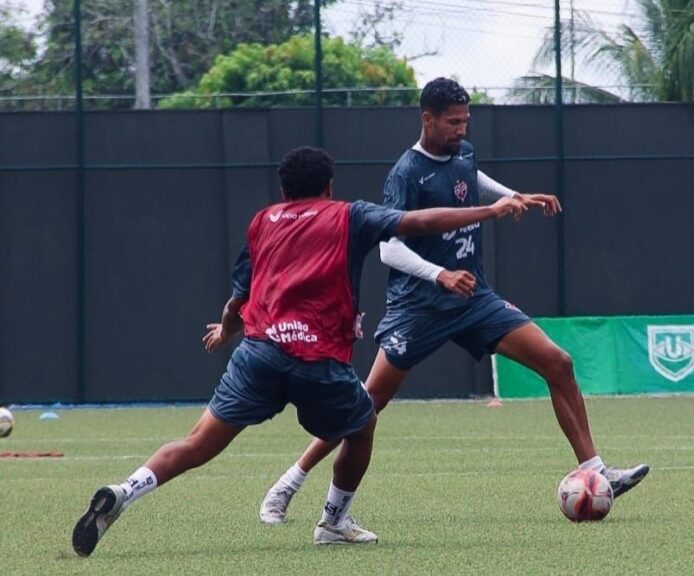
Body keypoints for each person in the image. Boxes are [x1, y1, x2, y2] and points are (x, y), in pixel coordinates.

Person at [71, 145, 529, 556]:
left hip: (258, 354)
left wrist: (229, 330)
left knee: (197, 443)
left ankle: (125, 490)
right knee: (363, 423)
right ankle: (333, 521)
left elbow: (237, 300)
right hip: (318, 360)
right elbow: (418, 221)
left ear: (284, 189)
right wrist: (489, 211)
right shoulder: (350, 214)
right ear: (329, 186)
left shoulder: (263, 222)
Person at [258, 78, 649, 524]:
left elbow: (468, 179)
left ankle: (597, 472)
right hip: (419, 308)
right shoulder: (405, 174)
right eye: (452, 122)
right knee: (366, 404)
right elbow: (388, 248)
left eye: (465, 120)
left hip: (473, 299)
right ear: (427, 118)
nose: (461, 129)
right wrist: (439, 274)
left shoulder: (463, 151)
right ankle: (290, 481)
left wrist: (512, 196)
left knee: (557, 362)